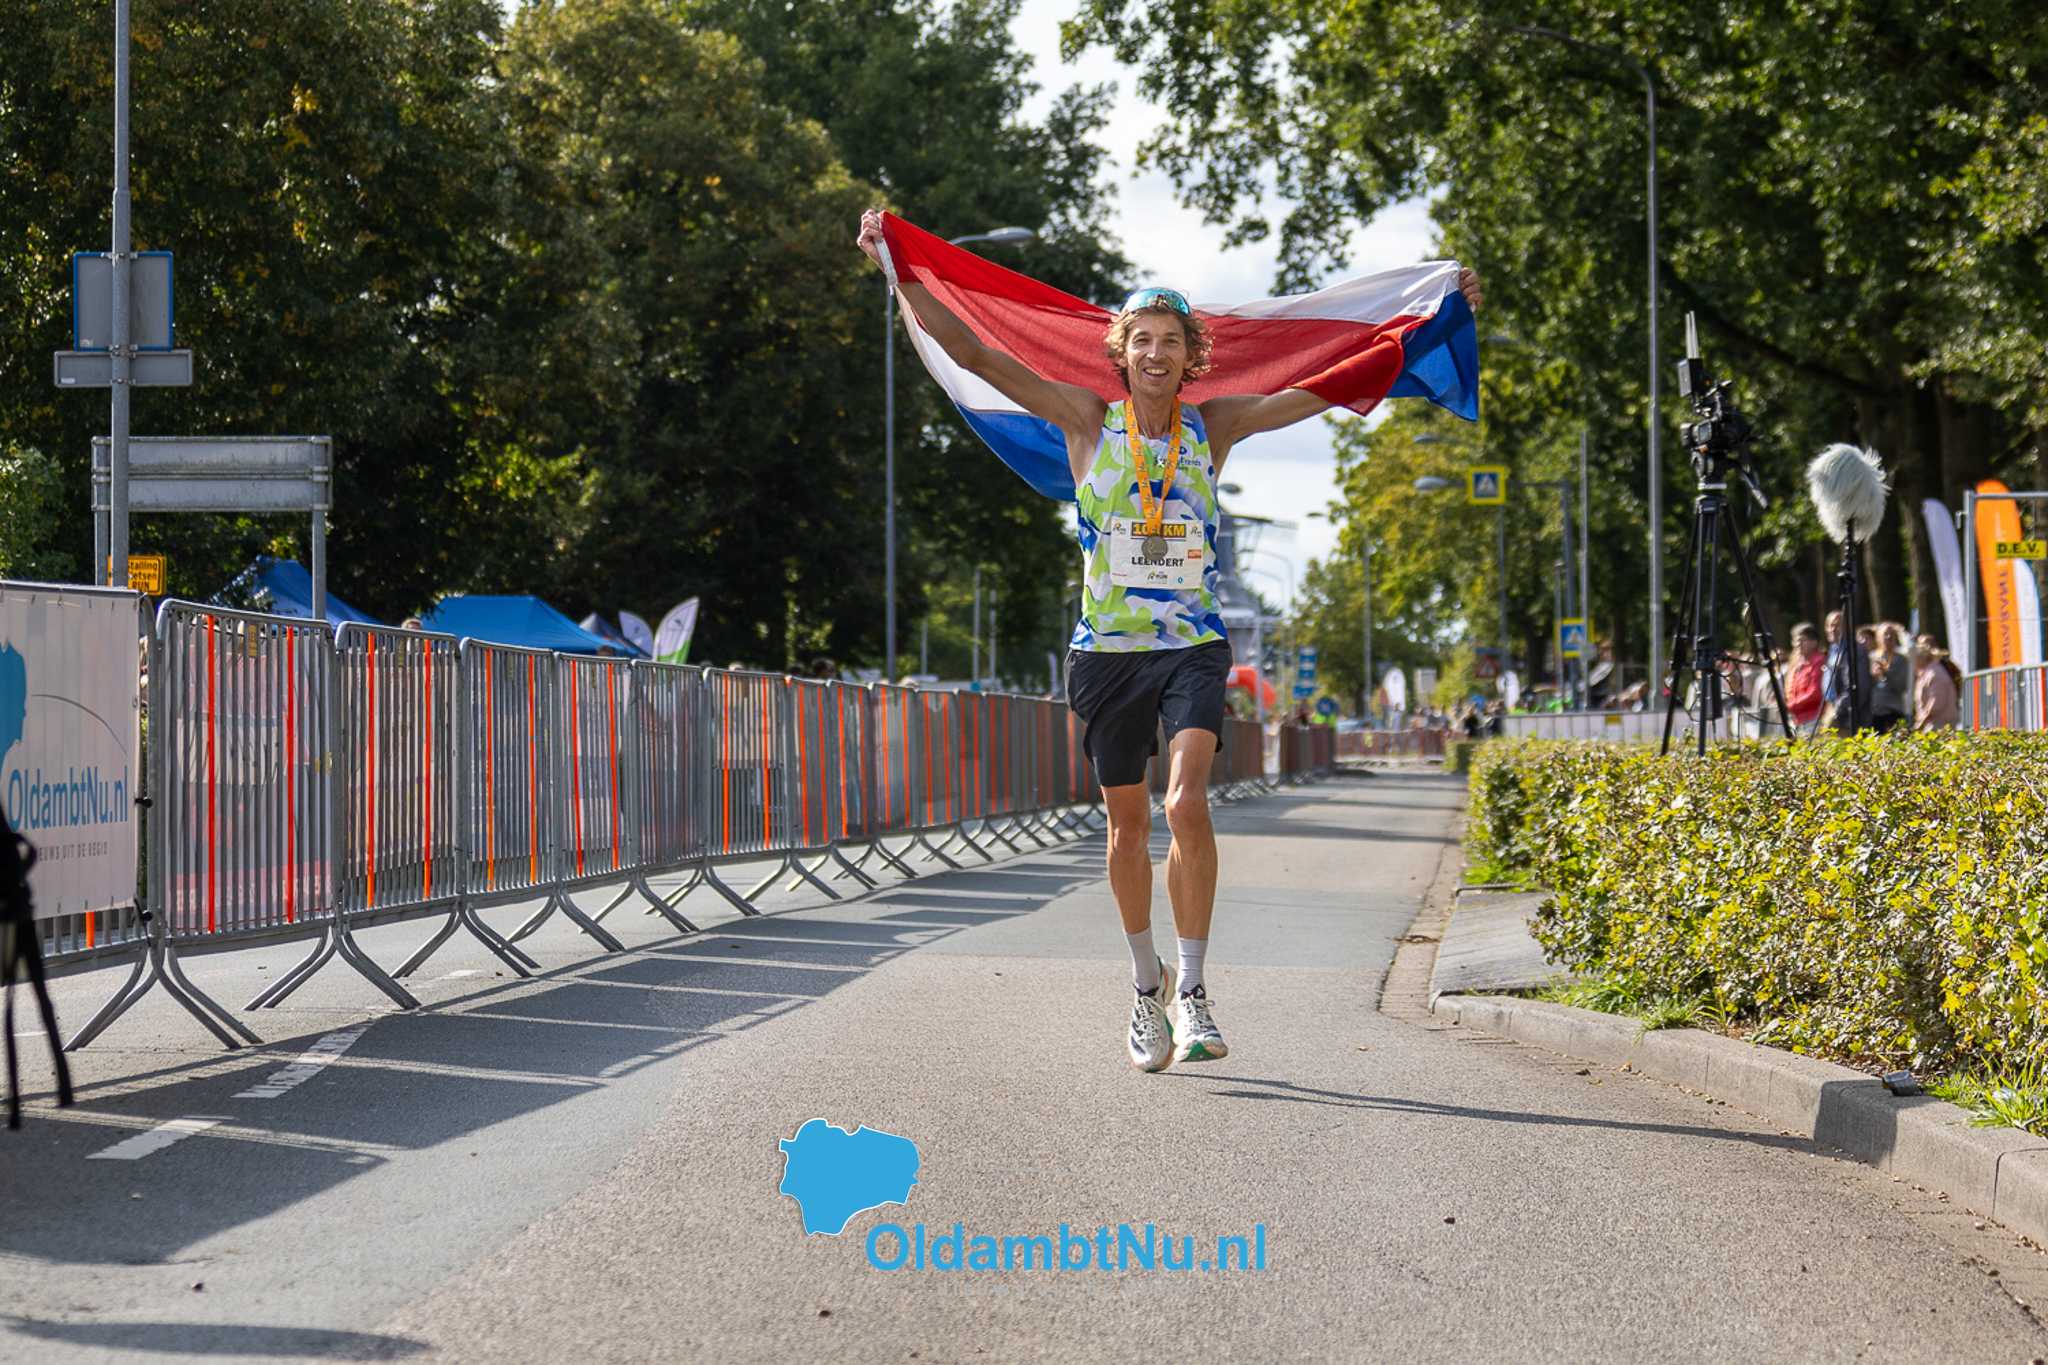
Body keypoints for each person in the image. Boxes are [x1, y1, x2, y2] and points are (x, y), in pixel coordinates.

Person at [857, 208, 1481, 1072]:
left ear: (1193, 357)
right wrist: (900, 274)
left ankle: (1192, 990)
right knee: (1126, 826)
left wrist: (1424, 325)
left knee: (1185, 802)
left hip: (1192, 643)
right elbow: (975, 353)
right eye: (1142, 340)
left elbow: (1322, 386)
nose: (1156, 354)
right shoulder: (1085, 418)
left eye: (1171, 342)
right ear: (1122, 353)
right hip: (1107, 653)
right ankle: (1144, 985)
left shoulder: (1212, 427)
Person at [1822, 610, 1872, 734]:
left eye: (1837, 625)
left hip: (1847, 718)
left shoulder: (1854, 650)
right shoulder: (1834, 650)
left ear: (1849, 627)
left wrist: (1838, 710)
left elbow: (1859, 687)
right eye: (1830, 626)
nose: (1833, 630)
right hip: (1833, 708)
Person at [1868, 622, 1910, 735]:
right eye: (1885, 635)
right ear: (1878, 638)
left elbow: (1902, 687)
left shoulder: (1900, 660)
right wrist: (1871, 676)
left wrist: (1886, 673)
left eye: (1892, 635)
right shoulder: (1870, 658)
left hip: (1893, 711)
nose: (1888, 637)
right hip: (1874, 712)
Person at [1785, 622, 1826, 734]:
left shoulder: (1819, 662)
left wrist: (1791, 706)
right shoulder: (1795, 665)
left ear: (1814, 642)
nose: (1798, 644)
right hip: (1797, 720)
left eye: (1802, 640)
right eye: (1795, 641)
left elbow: (1816, 693)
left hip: (1813, 719)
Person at [1912, 642, 1961, 730]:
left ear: (1922, 659)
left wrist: (1922, 723)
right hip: (1933, 722)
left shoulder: (1935, 674)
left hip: (1941, 724)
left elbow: (1936, 703)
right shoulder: (1925, 673)